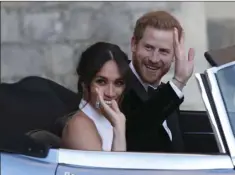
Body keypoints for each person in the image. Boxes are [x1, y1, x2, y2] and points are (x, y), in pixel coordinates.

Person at [121, 11, 195, 152]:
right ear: (134, 45)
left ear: (174, 55)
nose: (154, 59)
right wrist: (179, 81)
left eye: (164, 51)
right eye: (148, 48)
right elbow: (137, 130)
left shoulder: (166, 93)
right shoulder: (116, 86)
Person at [61, 42, 129, 151]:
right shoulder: (80, 125)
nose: (110, 93)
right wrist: (119, 130)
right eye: (101, 82)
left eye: (118, 83)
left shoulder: (114, 118)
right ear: (85, 84)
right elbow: (111, 168)